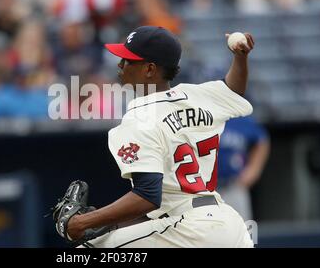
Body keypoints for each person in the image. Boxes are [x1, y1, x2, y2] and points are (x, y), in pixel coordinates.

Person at [63, 26, 256, 247]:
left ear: (149, 69)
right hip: (230, 226)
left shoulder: (140, 116)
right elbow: (234, 90)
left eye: (127, 60)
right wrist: (240, 58)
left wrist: (82, 222)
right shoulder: (199, 95)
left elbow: (147, 196)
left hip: (190, 227)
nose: (120, 65)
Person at [217, 116, 270, 221]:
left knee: (243, 232)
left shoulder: (239, 117)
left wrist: (254, 169)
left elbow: (262, 140)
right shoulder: (202, 116)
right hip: (204, 190)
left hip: (233, 186)